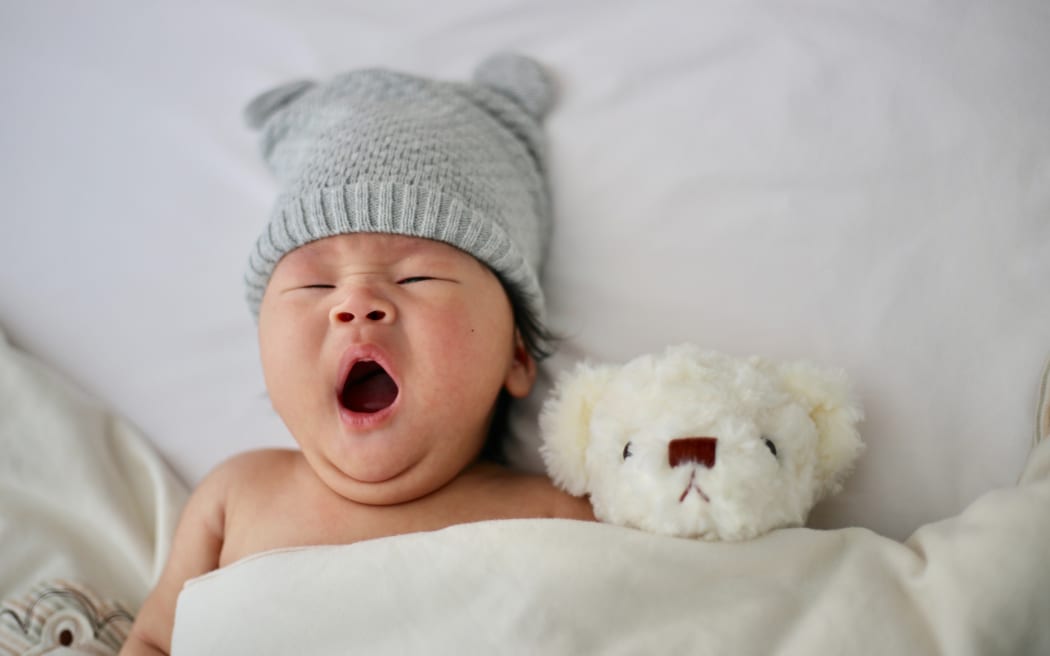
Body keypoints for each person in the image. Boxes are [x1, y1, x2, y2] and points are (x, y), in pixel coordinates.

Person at [121, 53, 594, 655]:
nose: (357, 301)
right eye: (315, 285)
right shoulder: (235, 497)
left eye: (418, 279)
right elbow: (155, 641)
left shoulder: (555, 518)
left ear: (517, 357)